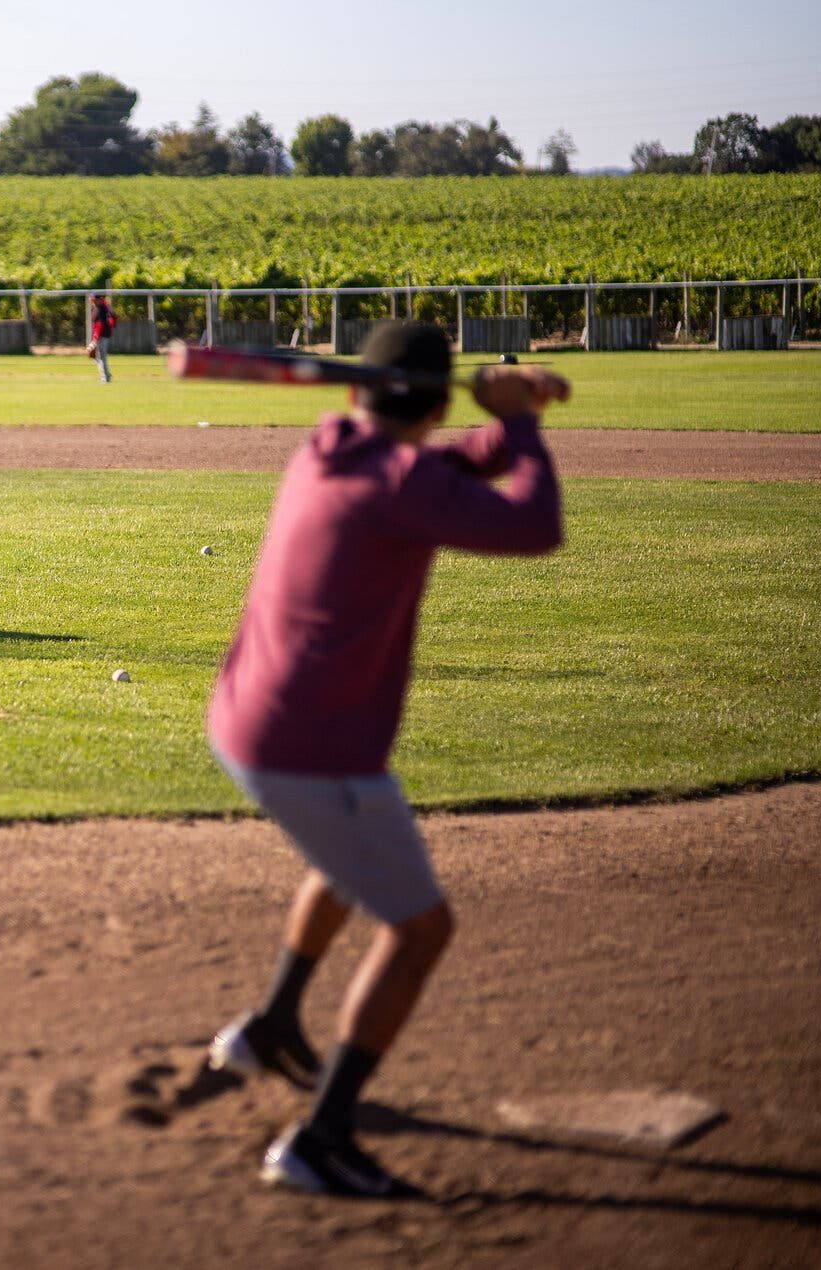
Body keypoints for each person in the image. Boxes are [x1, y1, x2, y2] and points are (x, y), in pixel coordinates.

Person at [203, 322, 569, 1198]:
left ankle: (271, 1029)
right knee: (419, 928)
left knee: (346, 866)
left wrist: (506, 418)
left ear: (355, 394)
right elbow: (536, 526)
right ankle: (319, 1142)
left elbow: (436, 472)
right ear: (438, 401)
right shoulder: (399, 482)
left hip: (253, 720)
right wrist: (520, 428)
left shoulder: (333, 452)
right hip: (313, 748)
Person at [87, 294, 116, 383]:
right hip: (102, 335)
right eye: (93, 300)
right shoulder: (104, 307)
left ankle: (105, 378)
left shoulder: (101, 309)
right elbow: (114, 317)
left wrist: (94, 340)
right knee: (98, 357)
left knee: (101, 357)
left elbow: (100, 325)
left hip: (101, 336)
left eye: (95, 300)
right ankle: (107, 375)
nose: (93, 302)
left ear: (100, 300)